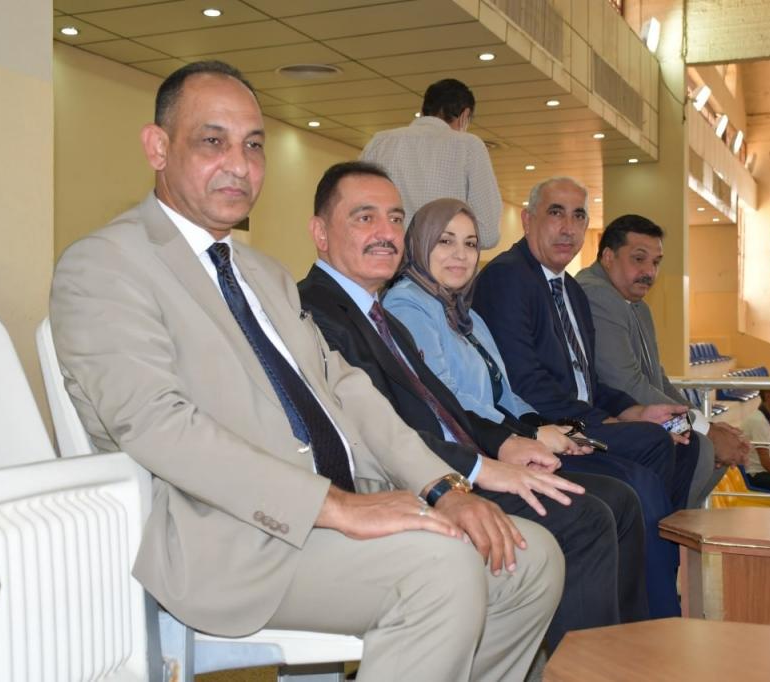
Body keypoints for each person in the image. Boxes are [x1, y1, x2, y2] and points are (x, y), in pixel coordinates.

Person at [49, 61, 563, 682]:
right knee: (442, 570)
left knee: (531, 560)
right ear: (158, 147)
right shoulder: (106, 264)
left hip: (337, 507)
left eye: (253, 145)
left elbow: (346, 386)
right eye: (212, 141)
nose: (239, 165)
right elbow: (158, 425)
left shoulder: (261, 272)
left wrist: (442, 486)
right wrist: (336, 507)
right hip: (232, 538)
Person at [298, 164, 650, 644]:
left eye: (395, 219)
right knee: (587, 516)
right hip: (399, 486)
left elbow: (447, 406)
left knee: (616, 497)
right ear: (320, 233)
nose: (386, 233)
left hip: (451, 461)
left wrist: (510, 444)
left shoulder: (383, 314)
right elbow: (383, 433)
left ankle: (614, 654)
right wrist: (483, 465)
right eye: (365, 218)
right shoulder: (320, 311)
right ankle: (590, 666)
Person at [383, 196, 681, 618]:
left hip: (507, 441)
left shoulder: (464, 314)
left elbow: (506, 394)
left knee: (625, 494)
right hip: (468, 459)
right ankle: (602, 643)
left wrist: (550, 429)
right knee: (606, 503)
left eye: (470, 244)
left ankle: (630, 631)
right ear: (419, 243)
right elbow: (445, 399)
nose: (460, 255)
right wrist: (529, 435)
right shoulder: (408, 305)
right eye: (445, 241)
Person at [472, 177, 699, 512]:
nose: (568, 228)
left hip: (582, 420)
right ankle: (650, 540)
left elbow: (588, 383)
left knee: (686, 442)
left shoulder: (572, 291)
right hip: (544, 427)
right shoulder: (507, 276)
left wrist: (635, 411)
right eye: (556, 213)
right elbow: (525, 383)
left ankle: (663, 541)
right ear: (527, 220)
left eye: (578, 216)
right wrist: (609, 423)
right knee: (652, 443)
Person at [574, 214, 751, 508]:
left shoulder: (637, 306)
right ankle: (663, 531)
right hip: (604, 422)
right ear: (608, 256)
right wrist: (705, 431)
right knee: (701, 449)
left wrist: (705, 423)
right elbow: (625, 383)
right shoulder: (597, 294)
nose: (649, 271)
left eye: (655, 262)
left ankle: (673, 529)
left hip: (641, 415)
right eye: (638, 259)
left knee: (707, 448)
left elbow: (658, 379)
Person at [360, 78, 501, 248]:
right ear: (465, 115)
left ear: (424, 109)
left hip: (386, 256)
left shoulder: (380, 142)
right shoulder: (469, 146)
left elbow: (359, 210)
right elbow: (487, 234)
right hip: (442, 259)